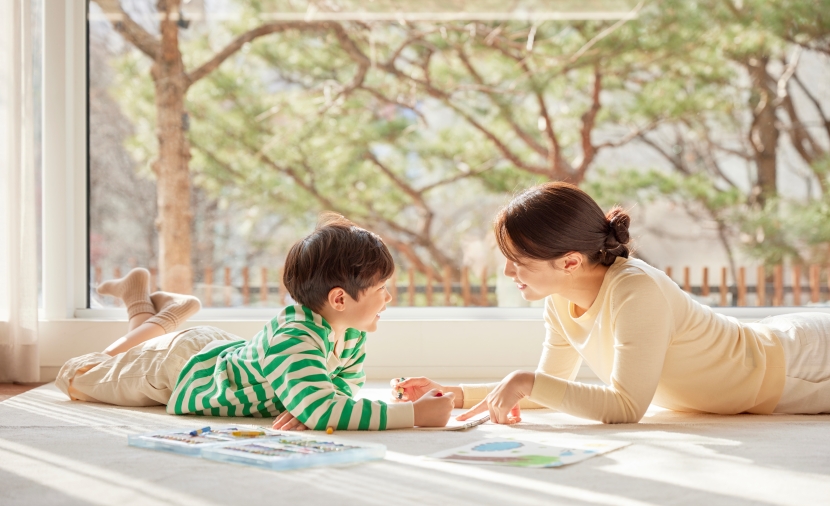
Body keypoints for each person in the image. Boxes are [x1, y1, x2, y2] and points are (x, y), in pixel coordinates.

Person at [393, 182, 830, 424]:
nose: (508, 274)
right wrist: (456, 392)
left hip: (799, 365)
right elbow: (549, 390)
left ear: (569, 262)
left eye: (519, 262)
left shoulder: (634, 290)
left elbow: (625, 408)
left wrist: (526, 380)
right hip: (780, 349)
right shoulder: (560, 300)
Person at [57, 214, 454, 430]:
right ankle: (157, 316)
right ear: (339, 298)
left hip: (218, 352)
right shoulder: (294, 337)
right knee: (81, 376)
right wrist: (412, 416)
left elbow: (338, 397)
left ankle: (149, 306)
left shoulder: (349, 333)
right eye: (382, 288)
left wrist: (311, 405)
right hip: (180, 370)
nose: (389, 298)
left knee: (133, 356)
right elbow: (323, 410)